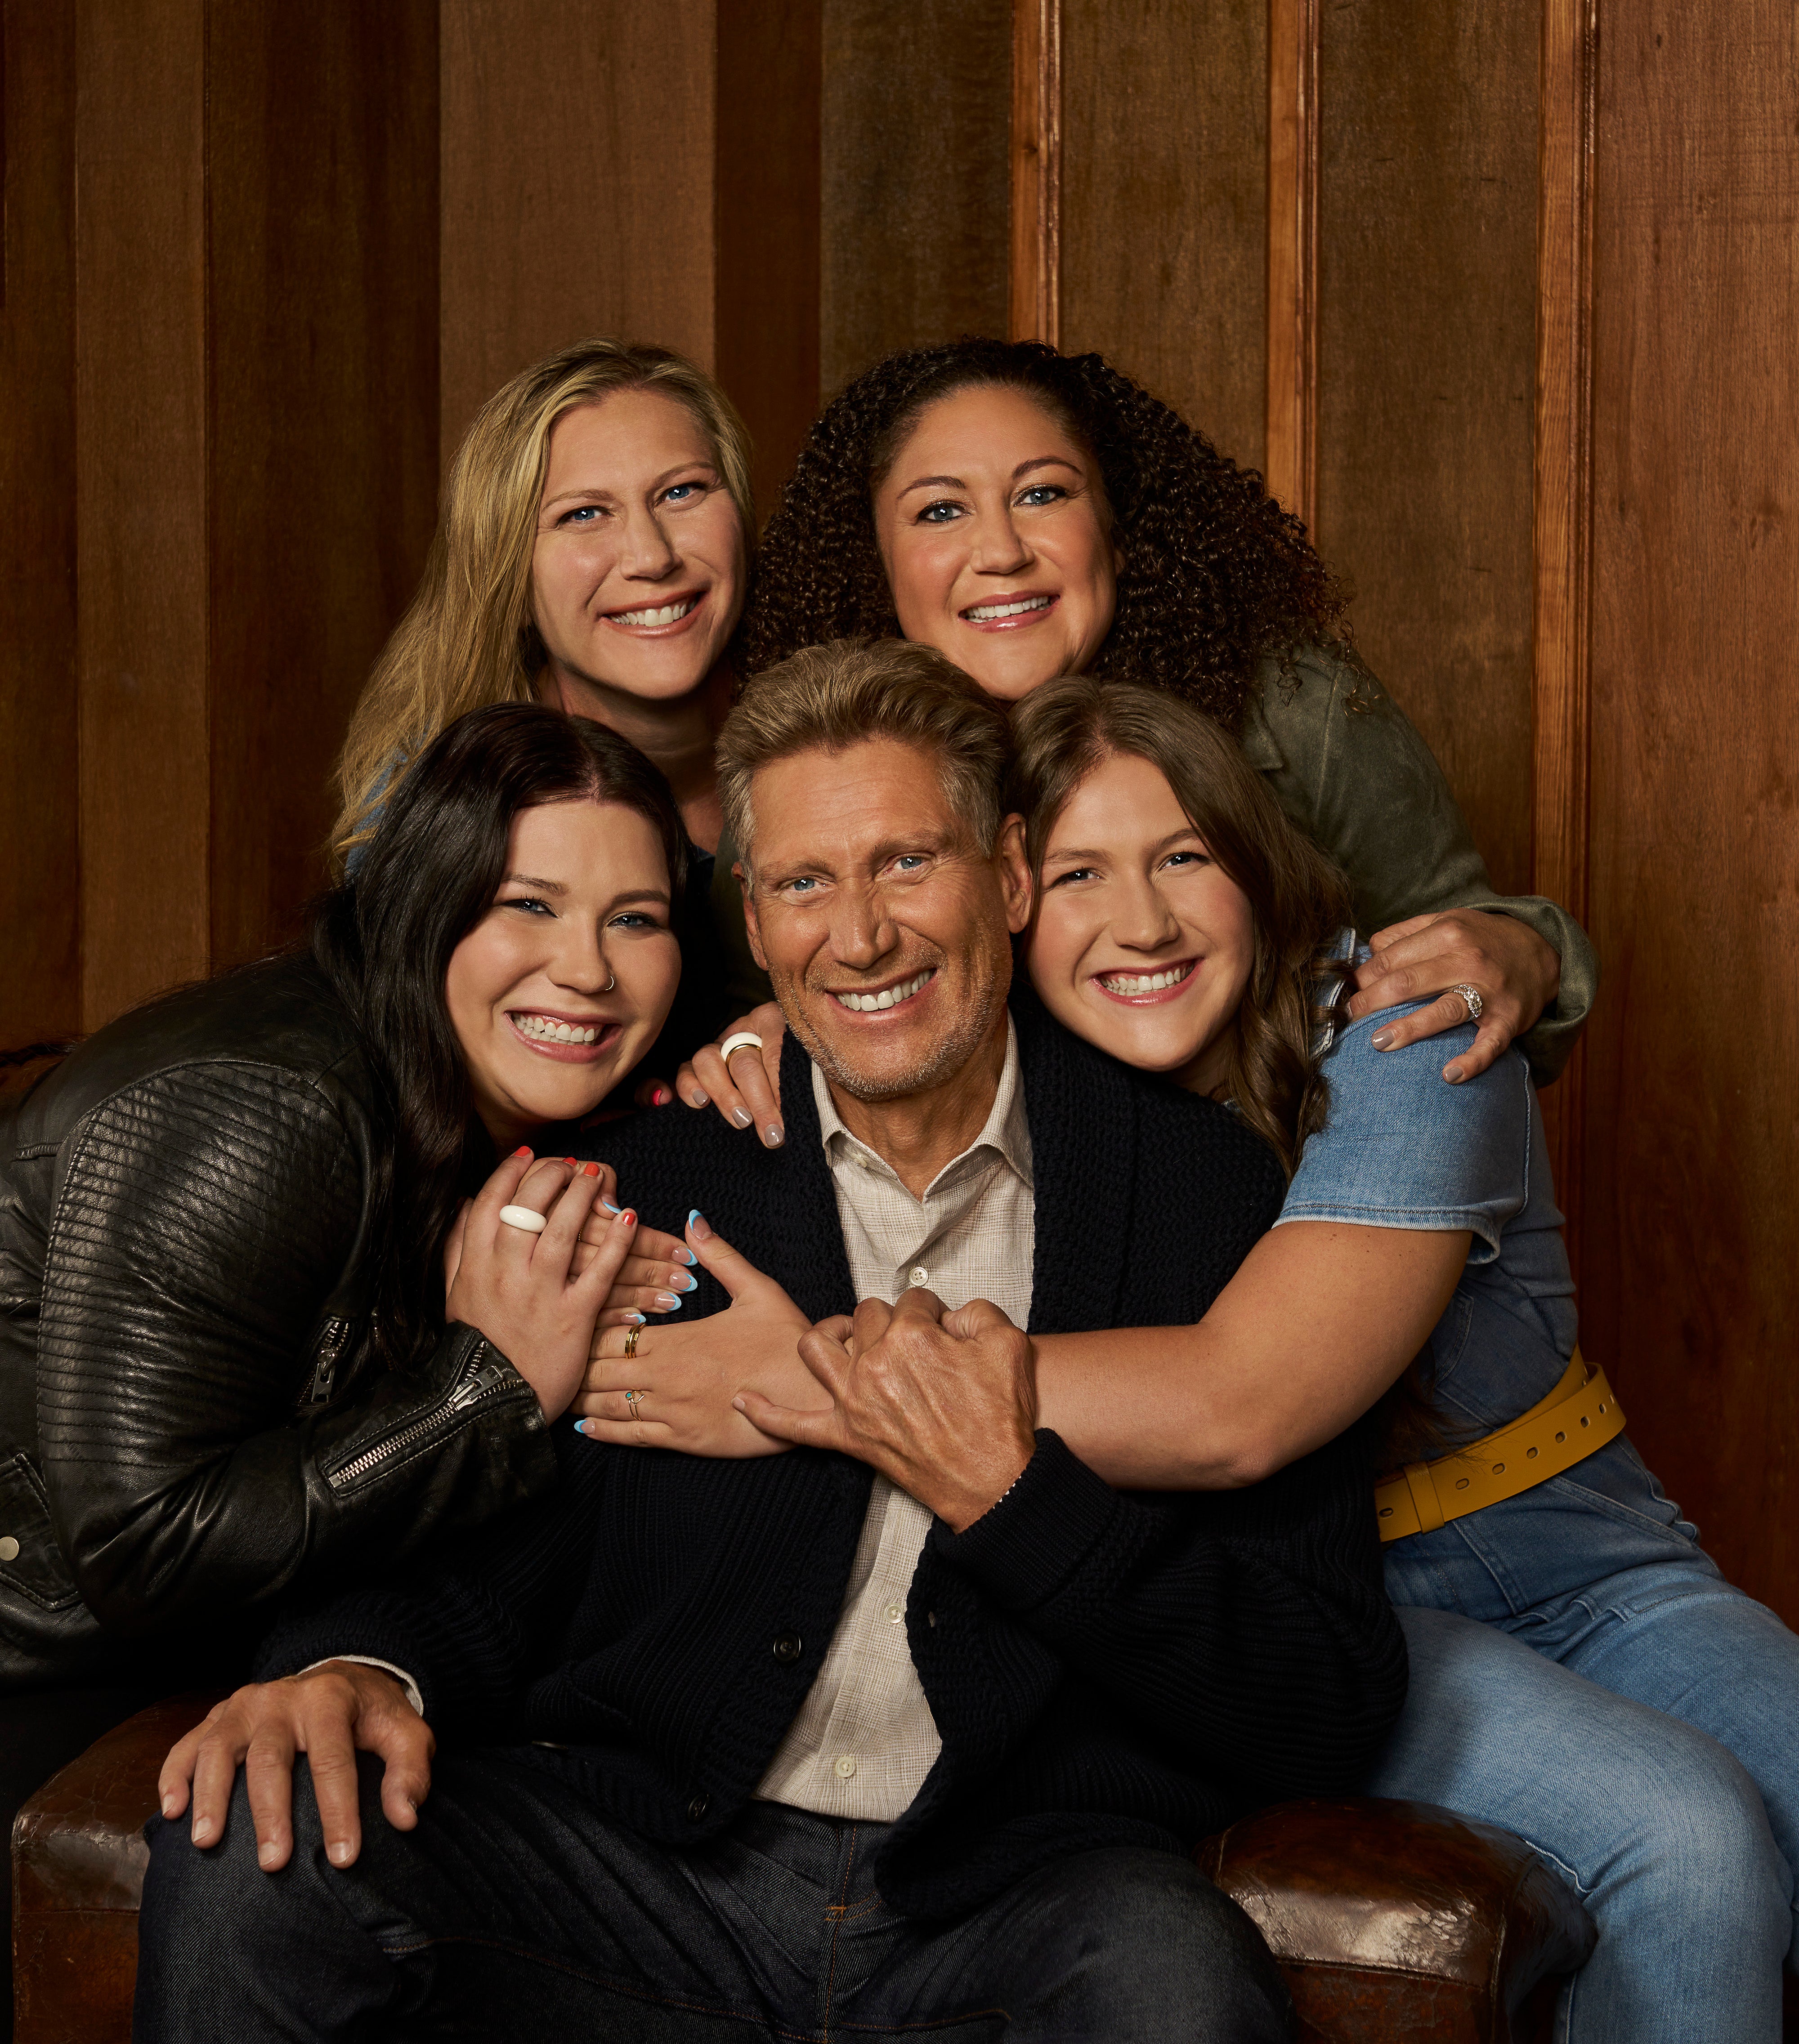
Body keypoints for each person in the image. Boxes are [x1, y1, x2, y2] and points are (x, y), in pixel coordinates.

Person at [137, 641, 1405, 2044]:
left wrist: (1020, 1498)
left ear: (1013, 871)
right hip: (651, 1877)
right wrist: (348, 1672)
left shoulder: (1206, 1197)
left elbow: (1325, 1696)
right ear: (753, 913)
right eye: (805, 882)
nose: (859, 936)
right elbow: (480, 1552)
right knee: (261, 1864)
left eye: (906, 864)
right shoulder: (656, 1176)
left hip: (1016, 1899)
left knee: (1177, 1981)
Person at [989, 676, 1799, 2043]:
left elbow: (1243, 1399)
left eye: (1185, 855)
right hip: (1342, 1606)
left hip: (1579, 1559)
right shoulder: (1033, 1087)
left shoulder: (1411, 1022)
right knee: (1688, 1835)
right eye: (1082, 872)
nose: (1142, 920)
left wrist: (849, 1373)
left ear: (1256, 864)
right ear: (1011, 900)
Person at [0, 704, 694, 2013]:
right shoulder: (270, 1103)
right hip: (39, 1661)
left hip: (229, 1638)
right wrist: (486, 1385)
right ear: (423, 908)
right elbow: (142, 1540)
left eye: (637, 919)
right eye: (525, 905)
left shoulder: (487, 1099)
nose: (589, 970)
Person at [686, 335, 1595, 1149]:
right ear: (874, 566)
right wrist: (746, 1037)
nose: (999, 550)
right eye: (938, 512)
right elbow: (751, 993)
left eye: (1042, 493)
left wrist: (1526, 953)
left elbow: (1460, 948)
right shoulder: (806, 776)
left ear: (1118, 537)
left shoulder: (1291, 708)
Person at [333, 336, 761, 1046]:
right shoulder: (434, 806)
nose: (652, 557)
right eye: (583, 514)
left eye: (682, 492)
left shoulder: (840, 735)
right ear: (512, 576)